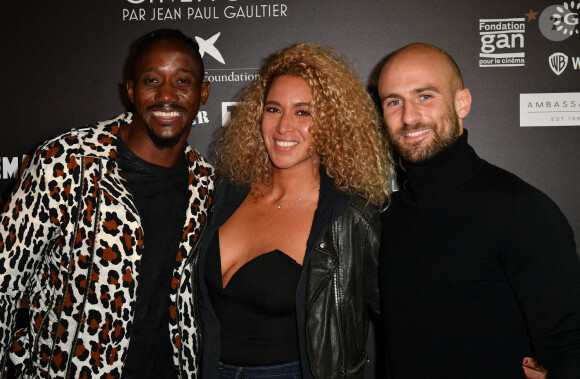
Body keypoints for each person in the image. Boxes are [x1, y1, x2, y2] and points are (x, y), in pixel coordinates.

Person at [0, 29, 213, 378]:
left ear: (202, 93)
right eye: (151, 80)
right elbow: (4, 282)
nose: (166, 95)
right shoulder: (67, 161)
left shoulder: (206, 185)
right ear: (130, 91)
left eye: (183, 81)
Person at [378, 42, 580, 378]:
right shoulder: (387, 215)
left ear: (462, 102)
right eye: (393, 101)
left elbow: (569, 346)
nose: (409, 116)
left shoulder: (522, 210)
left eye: (425, 96)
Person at [196, 44, 391, 378]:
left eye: (303, 112)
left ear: (332, 123)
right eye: (274, 109)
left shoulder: (351, 218)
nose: (284, 126)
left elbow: (400, 318)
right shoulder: (225, 194)